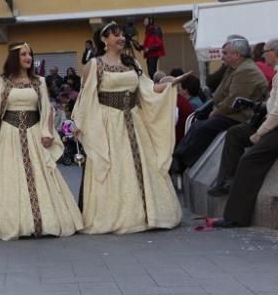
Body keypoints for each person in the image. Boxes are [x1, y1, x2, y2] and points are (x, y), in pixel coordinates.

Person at [73, 22, 185, 234]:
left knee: (141, 164)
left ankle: (149, 214)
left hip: (134, 121)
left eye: (122, 34)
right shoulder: (94, 65)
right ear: (104, 39)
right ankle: (117, 216)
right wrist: (81, 124)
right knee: (114, 167)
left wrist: (169, 83)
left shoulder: (132, 62)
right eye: (115, 35)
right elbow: (86, 98)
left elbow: (147, 88)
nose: (121, 38)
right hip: (108, 123)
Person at [0, 43, 83, 240]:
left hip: (34, 133)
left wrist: (47, 133)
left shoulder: (39, 82)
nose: (28, 57)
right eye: (23, 54)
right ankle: (14, 222)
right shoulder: (2, 81)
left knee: (39, 174)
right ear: (14, 57)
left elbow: (46, 109)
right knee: (11, 176)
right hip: (9, 135)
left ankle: (45, 221)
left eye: (30, 54)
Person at [173, 36, 269, 176]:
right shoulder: (234, 68)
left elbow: (233, 101)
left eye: (225, 53)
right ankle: (178, 158)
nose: (221, 56)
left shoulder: (246, 70)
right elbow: (218, 94)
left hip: (241, 116)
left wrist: (216, 111)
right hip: (232, 113)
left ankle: (182, 162)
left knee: (205, 127)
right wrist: (214, 107)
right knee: (197, 125)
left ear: (236, 55)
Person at [208, 38, 278, 227]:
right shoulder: (275, 74)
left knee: (250, 161)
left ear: (275, 52)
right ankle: (226, 180)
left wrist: (259, 133)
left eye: (267, 51)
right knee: (236, 133)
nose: (263, 55)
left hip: (274, 127)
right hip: (268, 121)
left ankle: (236, 216)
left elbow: (276, 114)